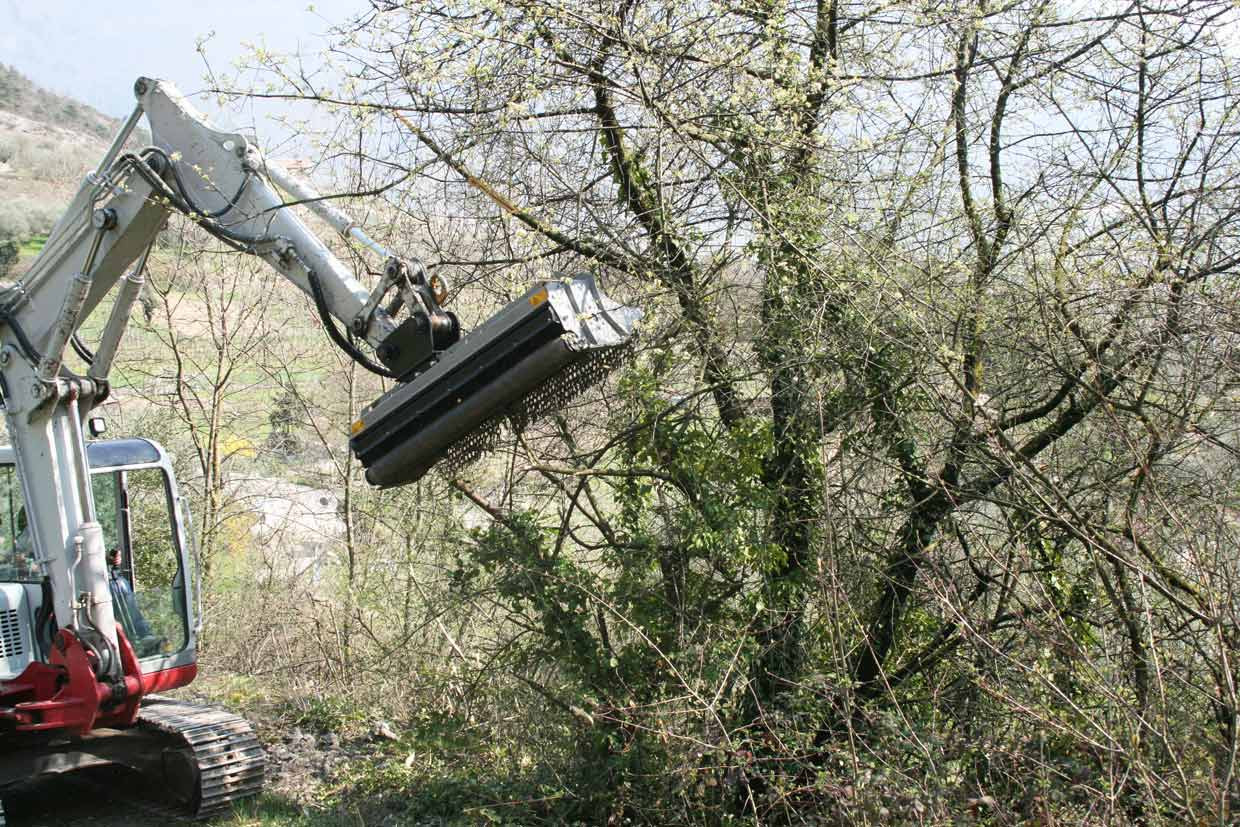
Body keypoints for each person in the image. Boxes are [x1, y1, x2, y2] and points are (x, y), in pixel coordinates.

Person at [107, 548, 159, 653]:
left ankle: (144, 636)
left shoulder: (120, 582)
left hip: (114, 582)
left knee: (121, 585)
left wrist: (113, 555)